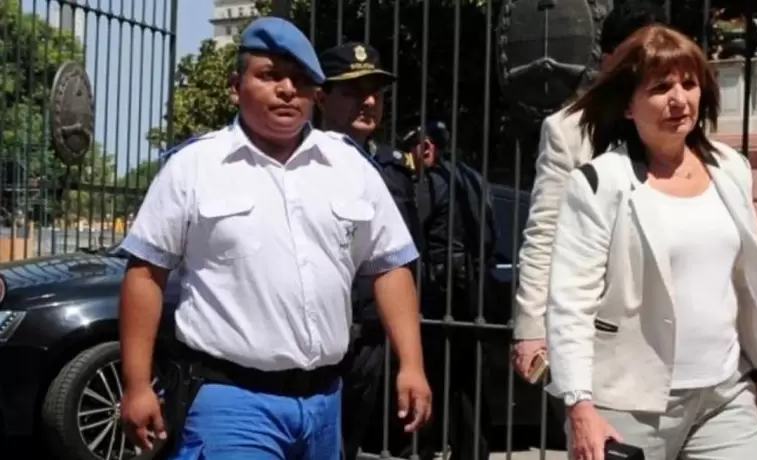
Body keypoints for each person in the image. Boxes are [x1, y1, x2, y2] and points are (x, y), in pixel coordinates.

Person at [117, 17, 431, 460]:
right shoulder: (194, 167)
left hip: (324, 404)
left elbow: (389, 267)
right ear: (235, 86)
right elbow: (145, 274)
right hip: (231, 402)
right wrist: (136, 384)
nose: (287, 89)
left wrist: (412, 365)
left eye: (301, 80)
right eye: (270, 76)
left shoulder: (349, 167)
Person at [545, 25, 757, 460]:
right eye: (660, 87)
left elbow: (744, 284)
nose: (679, 99)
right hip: (628, 403)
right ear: (628, 107)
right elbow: (570, 302)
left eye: (689, 84)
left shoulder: (730, 167)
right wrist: (580, 405)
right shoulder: (599, 183)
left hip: (724, 396)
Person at [512, 0, 669, 382]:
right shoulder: (569, 131)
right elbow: (544, 231)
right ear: (608, 59)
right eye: (634, 58)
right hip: (602, 328)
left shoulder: (683, 126)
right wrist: (531, 326)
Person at [314, 41, 421, 460]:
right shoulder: (304, 162)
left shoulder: (392, 165)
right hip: (321, 335)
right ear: (321, 96)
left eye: (376, 91)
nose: (370, 101)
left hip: (372, 337)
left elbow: (403, 255)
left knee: (349, 444)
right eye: (355, 91)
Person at [400, 122, 493, 460]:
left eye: (413, 149)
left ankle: (424, 446)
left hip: (441, 289)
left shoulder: (434, 181)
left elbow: (410, 229)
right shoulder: (472, 178)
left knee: (435, 371)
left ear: (427, 148)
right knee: (467, 377)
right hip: (474, 287)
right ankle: (472, 449)